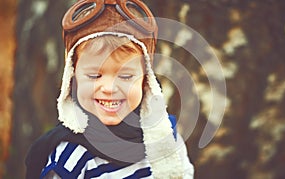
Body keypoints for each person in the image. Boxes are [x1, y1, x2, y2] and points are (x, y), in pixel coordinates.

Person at [25, 0, 194, 178]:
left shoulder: (165, 138)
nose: (109, 88)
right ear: (72, 79)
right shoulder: (70, 159)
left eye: (126, 76)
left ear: (146, 80)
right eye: (94, 76)